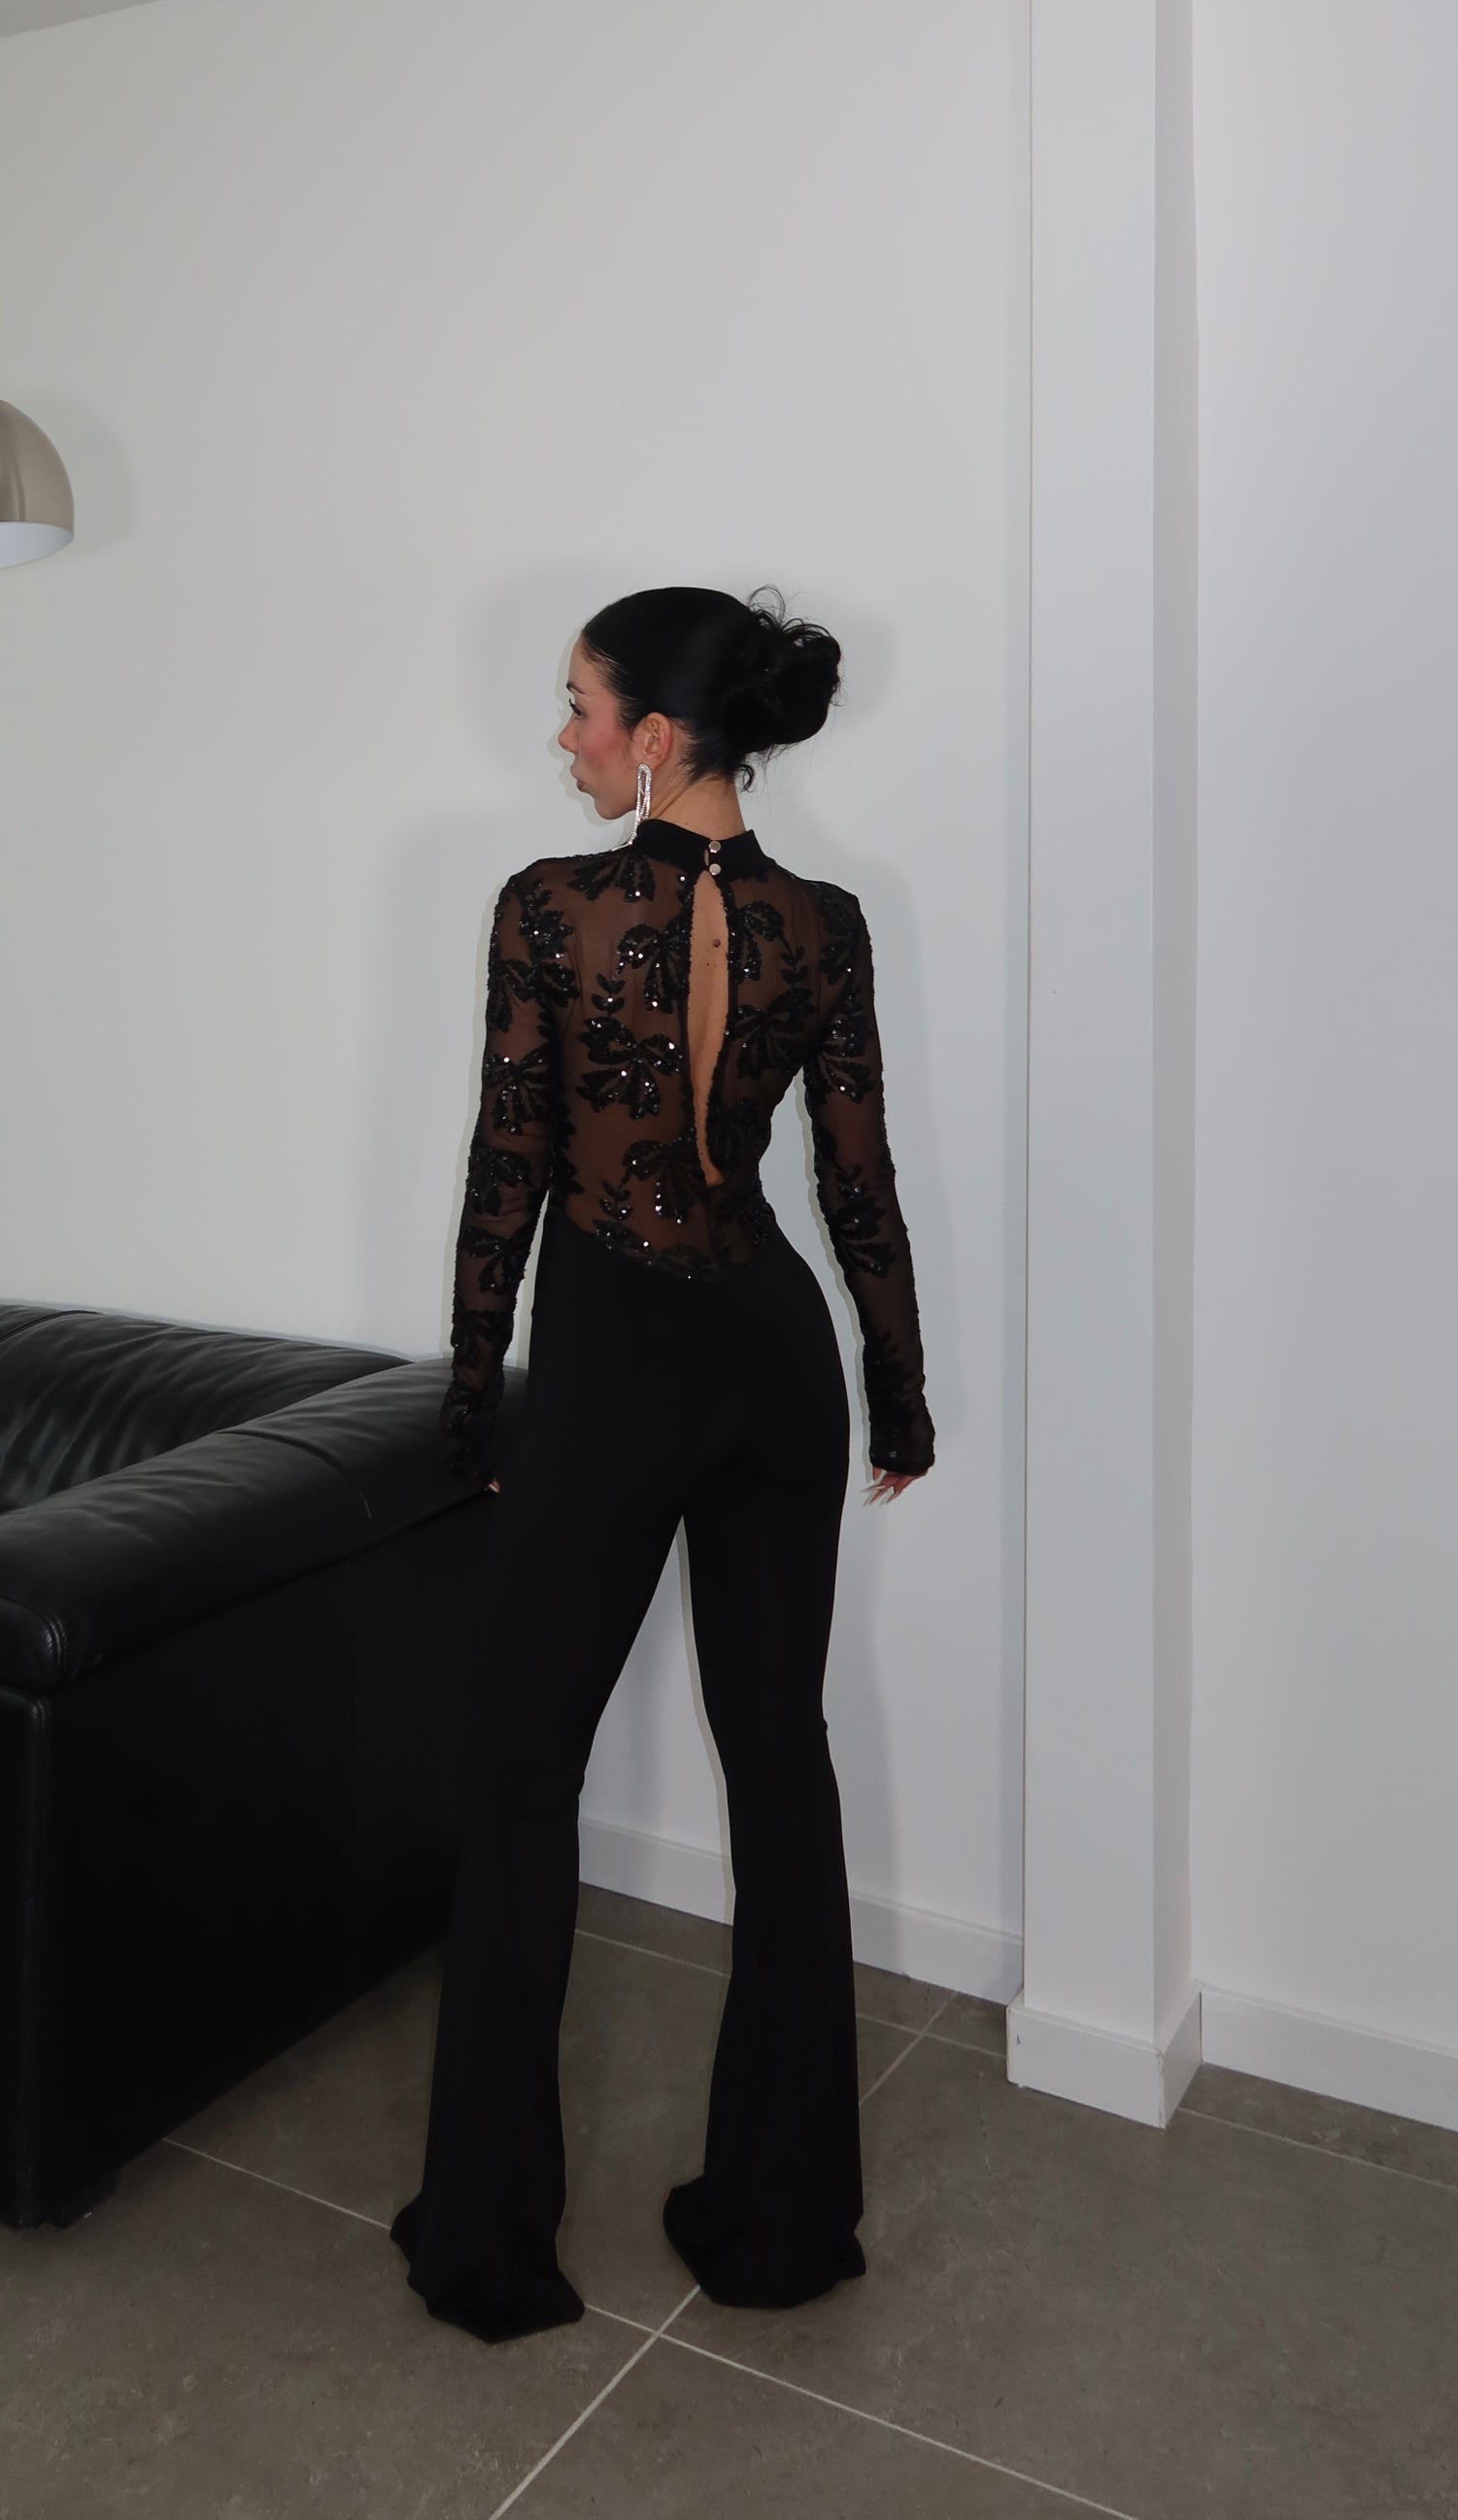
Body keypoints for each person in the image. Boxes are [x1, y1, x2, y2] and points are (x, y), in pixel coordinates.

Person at [389, 584, 935, 2343]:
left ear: (655, 736)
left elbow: (508, 1165)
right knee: (780, 1760)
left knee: (516, 1769)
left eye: (577, 707)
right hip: (774, 1361)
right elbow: (855, 1175)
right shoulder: (823, 922)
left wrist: (473, 1390)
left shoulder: (546, 907)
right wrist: (899, 1391)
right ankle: (780, 2224)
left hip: (616, 1365)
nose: (561, 738)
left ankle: (489, 2242)